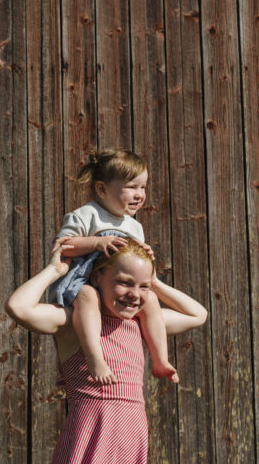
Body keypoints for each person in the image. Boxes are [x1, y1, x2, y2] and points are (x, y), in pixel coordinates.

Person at [6, 239, 207, 463]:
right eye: (124, 282)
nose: (134, 294)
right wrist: (54, 270)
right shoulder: (74, 322)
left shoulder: (140, 324)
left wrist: (155, 284)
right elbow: (18, 307)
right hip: (91, 435)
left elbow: (198, 314)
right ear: (96, 278)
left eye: (143, 286)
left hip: (131, 436)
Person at [50, 148, 178, 384]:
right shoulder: (86, 215)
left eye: (143, 187)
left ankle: (160, 358)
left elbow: (132, 260)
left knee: (150, 300)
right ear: (102, 189)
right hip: (82, 285)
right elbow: (63, 247)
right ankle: (94, 357)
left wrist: (145, 256)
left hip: (115, 291)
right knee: (88, 295)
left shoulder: (134, 226)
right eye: (132, 186)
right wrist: (96, 242)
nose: (140, 194)